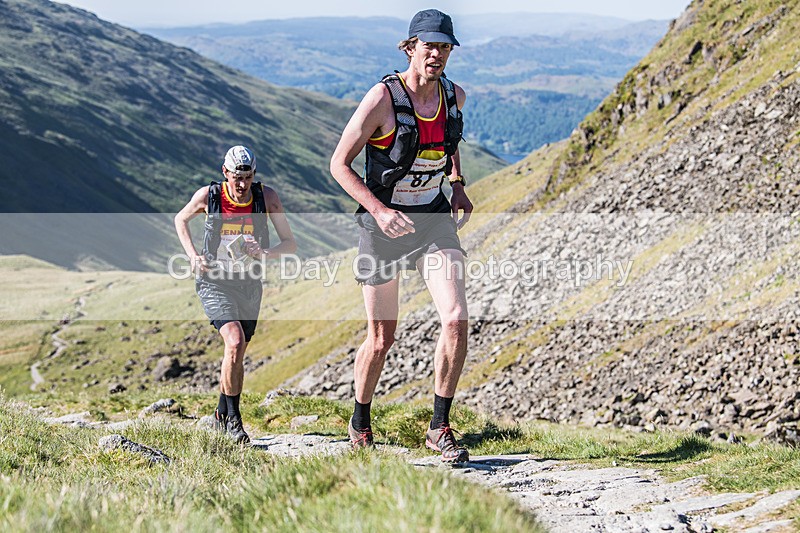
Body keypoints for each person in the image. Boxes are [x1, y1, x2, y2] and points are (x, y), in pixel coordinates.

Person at [330, 9, 473, 462]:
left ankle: (439, 427)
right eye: (428, 45)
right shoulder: (382, 99)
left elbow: (447, 145)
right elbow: (338, 164)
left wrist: (458, 186)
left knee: (454, 318)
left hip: (432, 218)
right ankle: (360, 420)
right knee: (381, 339)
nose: (436, 54)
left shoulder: (455, 96)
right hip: (383, 226)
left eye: (445, 46)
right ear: (410, 47)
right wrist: (378, 209)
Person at [175, 145, 296, 443]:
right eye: (236, 177)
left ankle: (220, 413)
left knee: (237, 352)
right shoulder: (210, 196)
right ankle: (233, 421)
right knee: (234, 341)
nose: (242, 185)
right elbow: (180, 220)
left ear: (254, 174)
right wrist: (193, 256)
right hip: (214, 282)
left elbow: (290, 244)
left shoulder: (266, 197)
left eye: (248, 177)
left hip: (249, 284)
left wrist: (264, 252)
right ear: (224, 173)